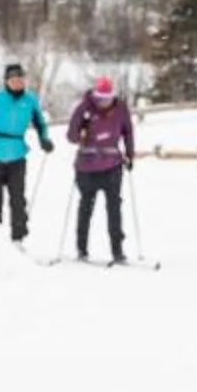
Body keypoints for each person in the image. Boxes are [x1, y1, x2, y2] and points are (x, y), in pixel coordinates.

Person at [0, 61, 53, 245]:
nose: (17, 82)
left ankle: (18, 239)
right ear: (6, 81)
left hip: (17, 155)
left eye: (20, 79)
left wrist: (44, 139)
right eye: (13, 79)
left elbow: (40, 123)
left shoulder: (30, 100)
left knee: (18, 199)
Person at [66, 75, 137, 264]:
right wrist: (82, 128)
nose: (104, 102)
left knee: (114, 208)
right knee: (86, 208)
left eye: (108, 98)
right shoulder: (84, 108)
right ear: (95, 95)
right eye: (100, 98)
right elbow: (71, 137)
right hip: (86, 167)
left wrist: (130, 155)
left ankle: (118, 252)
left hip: (112, 166)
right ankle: (81, 250)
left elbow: (128, 132)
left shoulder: (121, 109)